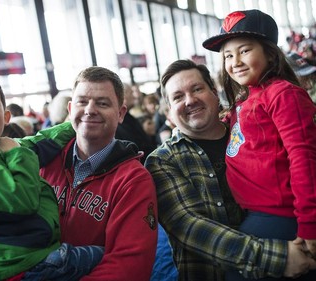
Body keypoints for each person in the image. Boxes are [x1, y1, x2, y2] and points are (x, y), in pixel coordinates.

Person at [144, 59, 316, 281]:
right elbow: (191, 228)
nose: (190, 100)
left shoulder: (253, 131)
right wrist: (280, 259)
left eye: (197, 89)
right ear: (169, 111)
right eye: (178, 97)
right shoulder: (162, 161)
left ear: (215, 93)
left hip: (300, 251)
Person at [0, 72, 104, 281]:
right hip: (27, 266)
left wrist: (75, 122)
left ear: (5, 116)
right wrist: (15, 153)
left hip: (37, 254)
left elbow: (40, 142)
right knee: (107, 255)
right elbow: (23, 200)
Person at [203, 9, 316, 281]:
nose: (235, 61)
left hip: (282, 216)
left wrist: (310, 224)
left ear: (270, 53)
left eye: (244, 51)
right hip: (259, 213)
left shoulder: (283, 94)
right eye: (228, 56)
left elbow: (303, 158)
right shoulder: (247, 100)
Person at [19, 66, 158, 281]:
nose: (90, 110)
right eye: (82, 101)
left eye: (102, 103)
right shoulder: (41, 162)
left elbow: (129, 266)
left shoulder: (133, 180)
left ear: (121, 114)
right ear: (70, 107)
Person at [115, 83, 157, 162]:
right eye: (131, 93)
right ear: (122, 96)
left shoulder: (127, 117)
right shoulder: (119, 122)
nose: (135, 96)